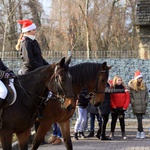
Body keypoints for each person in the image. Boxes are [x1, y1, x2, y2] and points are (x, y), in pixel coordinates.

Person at [16, 19, 49, 143]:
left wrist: (50, 67)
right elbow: (29, 61)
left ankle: (40, 112)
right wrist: (42, 69)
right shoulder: (26, 43)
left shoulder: (34, 42)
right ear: (28, 30)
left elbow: (40, 58)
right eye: (33, 29)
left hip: (38, 70)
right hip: (29, 72)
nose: (35, 31)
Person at [128, 70, 148, 139]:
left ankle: (139, 132)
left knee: (140, 119)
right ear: (136, 79)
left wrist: (146, 102)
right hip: (136, 105)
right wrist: (133, 102)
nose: (140, 79)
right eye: (139, 78)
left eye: (141, 78)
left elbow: (147, 95)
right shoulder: (132, 86)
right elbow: (130, 95)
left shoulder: (144, 85)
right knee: (139, 119)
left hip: (142, 105)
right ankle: (141, 131)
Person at [109, 75, 130, 140]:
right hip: (114, 109)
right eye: (118, 80)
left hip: (121, 108)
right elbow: (111, 98)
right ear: (115, 81)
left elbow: (127, 98)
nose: (120, 81)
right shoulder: (112, 88)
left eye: (120, 80)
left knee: (122, 121)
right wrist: (114, 107)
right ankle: (112, 133)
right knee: (113, 121)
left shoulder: (124, 88)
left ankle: (123, 133)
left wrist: (124, 107)